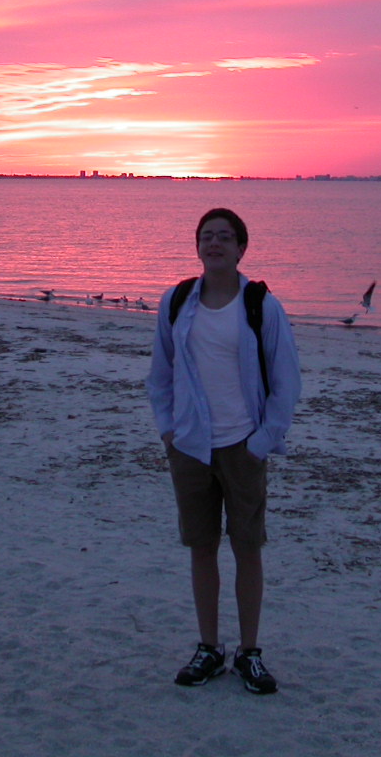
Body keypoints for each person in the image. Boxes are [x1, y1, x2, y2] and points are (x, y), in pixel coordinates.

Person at [146, 208, 302, 694]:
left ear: (241, 248)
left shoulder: (261, 305)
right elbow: (161, 375)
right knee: (202, 547)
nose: (214, 244)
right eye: (207, 237)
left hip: (243, 447)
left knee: (248, 548)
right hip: (191, 446)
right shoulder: (176, 301)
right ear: (197, 247)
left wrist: (261, 443)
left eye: (225, 237)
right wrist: (170, 432)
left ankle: (249, 652)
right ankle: (209, 648)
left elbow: (286, 380)